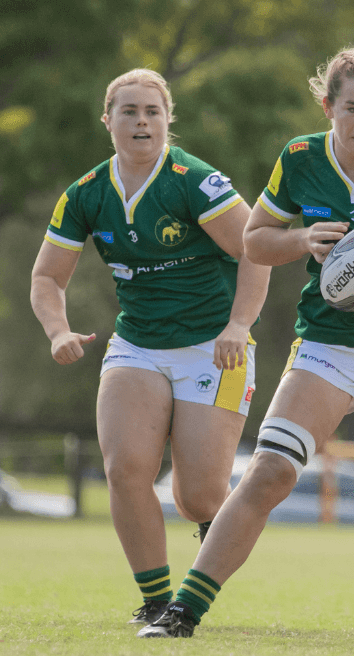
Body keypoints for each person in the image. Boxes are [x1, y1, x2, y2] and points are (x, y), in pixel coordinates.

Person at [137, 47, 354, 639]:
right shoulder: (299, 159)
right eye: (352, 108)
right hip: (326, 342)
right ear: (328, 106)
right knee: (269, 470)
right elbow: (256, 241)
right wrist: (301, 240)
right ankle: (183, 612)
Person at [29, 69, 270, 626]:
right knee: (126, 467)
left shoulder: (194, 180)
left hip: (215, 346)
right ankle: (159, 601)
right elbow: (47, 278)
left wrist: (239, 324)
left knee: (200, 498)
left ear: (168, 120)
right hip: (137, 344)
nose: (142, 121)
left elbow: (256, 249)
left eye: (153, 112)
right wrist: (58, 331)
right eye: (130, 111)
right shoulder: (86, 194)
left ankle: (217, 531)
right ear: (107, 120)